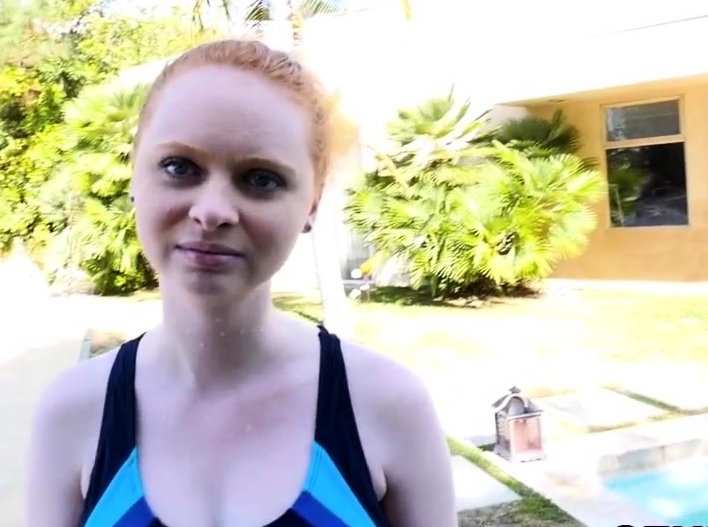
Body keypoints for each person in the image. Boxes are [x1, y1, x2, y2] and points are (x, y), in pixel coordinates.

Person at [25, 39, 457, 527]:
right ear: (134, 173)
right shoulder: (72, 415)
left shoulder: (387, 407)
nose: (211, 211)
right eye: (179, 167)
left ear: (312, 202)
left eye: (261, 178)